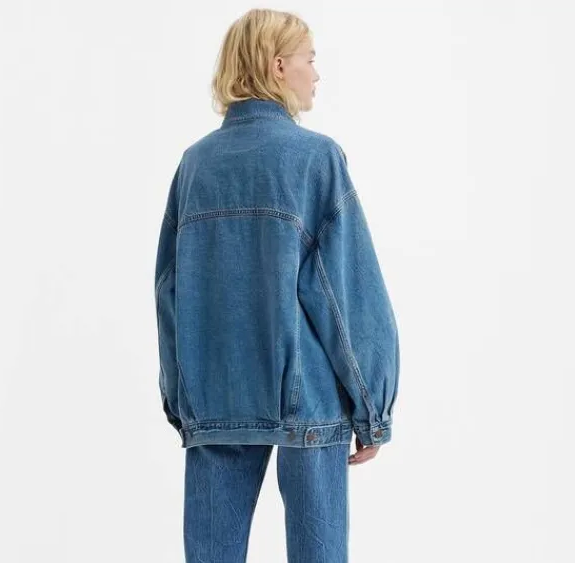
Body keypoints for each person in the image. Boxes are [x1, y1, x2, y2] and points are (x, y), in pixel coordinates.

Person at [153, 8, 400, 562]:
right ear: (278, 64)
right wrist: (373, 408)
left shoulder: (194, 165)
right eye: (310, 58)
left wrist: (183, 400)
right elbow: (346, 295)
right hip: (306, 399)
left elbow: (169, 292)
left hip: (216, 396)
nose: (318, 73)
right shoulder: (315, 159)